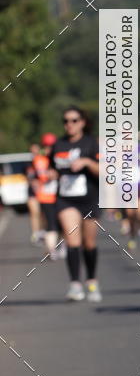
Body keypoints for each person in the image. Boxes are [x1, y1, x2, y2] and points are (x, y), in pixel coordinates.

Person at [49, 107, 102, 301]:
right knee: (73, 241)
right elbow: (52, 168)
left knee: (89, 244)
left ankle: (92, 280)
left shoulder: (91, 143)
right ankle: (75, 284)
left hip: (89, 198)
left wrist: (87, 163)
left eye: (74, 120)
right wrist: (50, 175)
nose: (69, 124)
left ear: (82, 122)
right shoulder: (58, 144)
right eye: (66, 121)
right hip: (65, 198)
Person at [31, 133, 64, 261]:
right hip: (46, 196)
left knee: (62, 223)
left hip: (61, 196)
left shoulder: (58, 157)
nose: (49, 149)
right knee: (51, 224)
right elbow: (42, 176)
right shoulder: (40, 159)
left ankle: (59, 246)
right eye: (47, 146)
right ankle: (52, 249)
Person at [26, 143, 44, 244]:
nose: (34, 152)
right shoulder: (29, 163)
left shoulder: (45, 161)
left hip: (44, 192)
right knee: (34, 212)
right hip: (32, 192)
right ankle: (35, 233)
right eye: (32, 150)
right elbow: (27, 177)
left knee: (43, 213)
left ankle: (43, 231)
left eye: (36, 150)